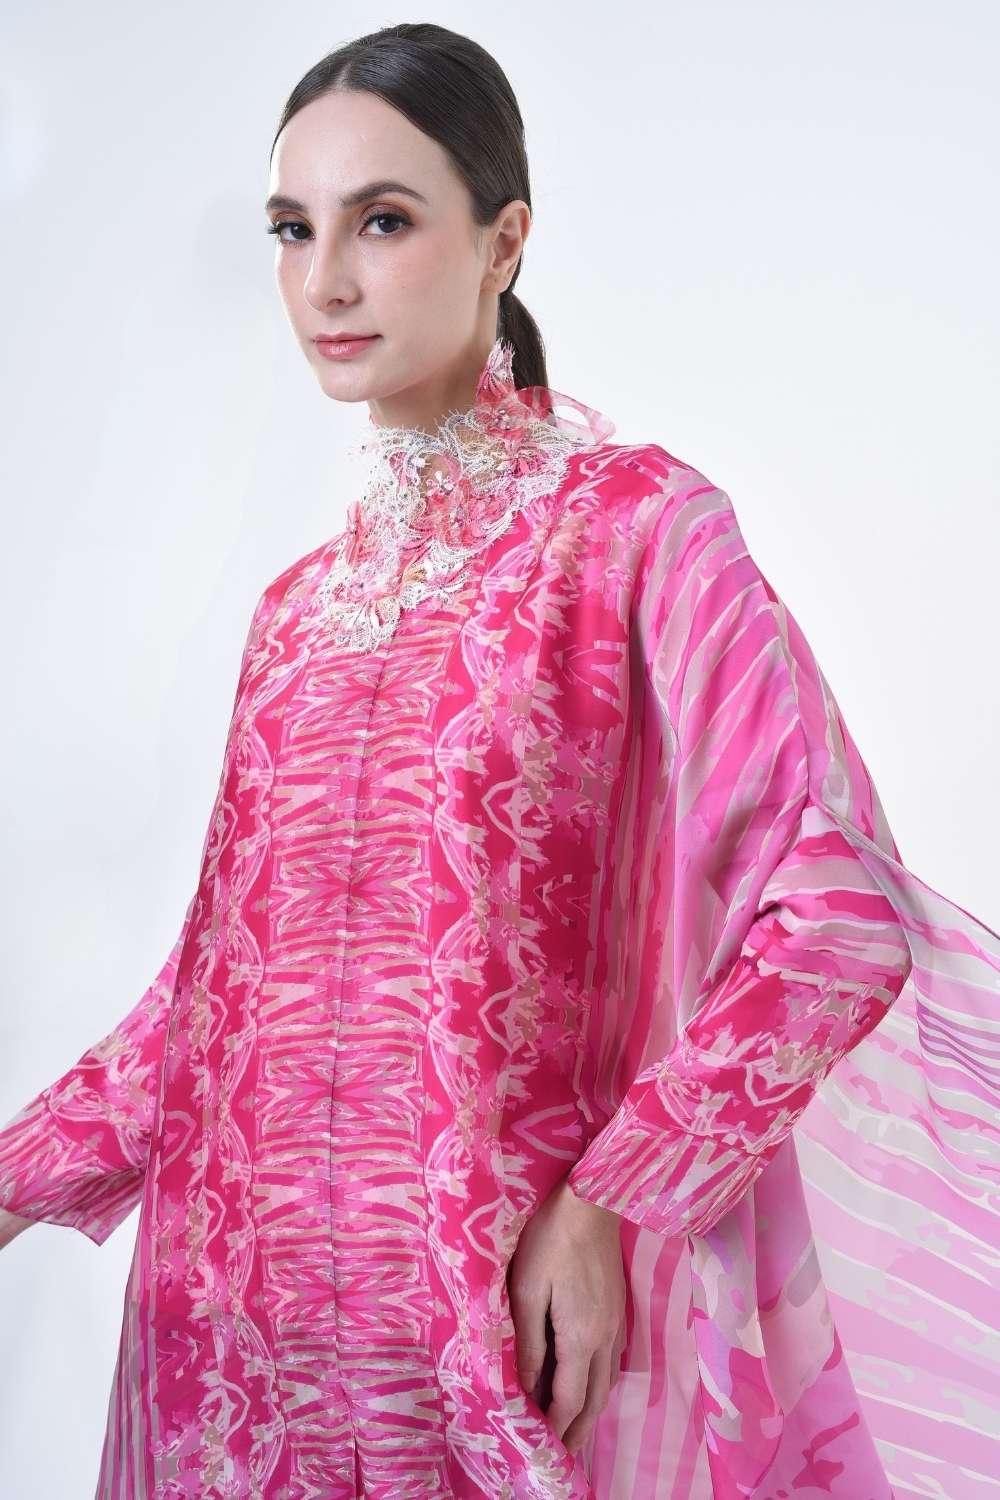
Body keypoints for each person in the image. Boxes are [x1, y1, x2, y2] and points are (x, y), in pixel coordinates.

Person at [1, 21, 997, 1500]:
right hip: (224, 1358)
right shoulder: (297, 615)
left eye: (382, 220)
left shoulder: (634, 535)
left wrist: (613, 1201)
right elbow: (214, 1004)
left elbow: (834, 913)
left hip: (478, 1349)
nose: (324, 282)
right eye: (292, 229)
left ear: (504, 240)